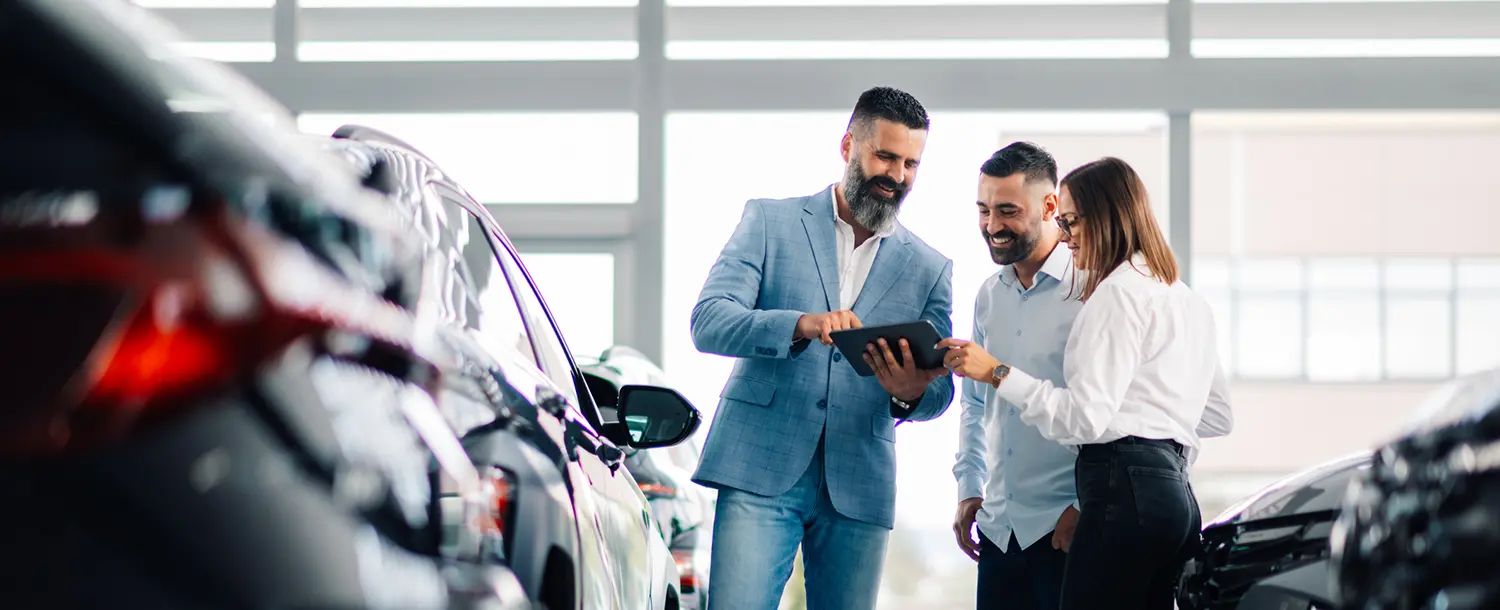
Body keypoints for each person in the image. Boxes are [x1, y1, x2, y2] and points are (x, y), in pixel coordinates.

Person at [689, 86, 956, 610]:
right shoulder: (769, 221)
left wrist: (909, 395)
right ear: (847, 146)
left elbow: (941, 386)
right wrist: (802, 324)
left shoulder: (930, 267)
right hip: (759, 464)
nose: (897, 176)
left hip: (859, 480)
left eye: (910, 164)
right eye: (885, 156)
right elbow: (709, 321)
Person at [939, 157, 1234, 610]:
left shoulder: (1107, 291)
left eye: (1071, 221)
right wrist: (1152, 430)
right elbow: (1215, 415)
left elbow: (1083, 418)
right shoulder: (1183, 297)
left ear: (1106, 217)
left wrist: (996, 372)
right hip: (1173, 497)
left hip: (1110, 494)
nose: (1067, 234)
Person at [950, 142, 1082, 610]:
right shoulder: (989, 295)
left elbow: (1112, 410)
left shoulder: (1091, 290)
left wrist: (1086, 508)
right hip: (998, 531)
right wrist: (970, 488)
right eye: (983, 210)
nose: (991, 226)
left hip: (1064, 530)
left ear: (1050, 206)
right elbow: (973, 404)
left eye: (1007, 211)